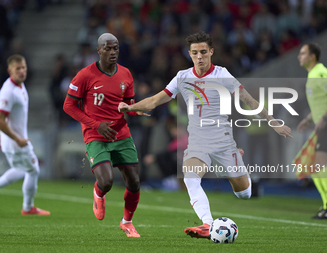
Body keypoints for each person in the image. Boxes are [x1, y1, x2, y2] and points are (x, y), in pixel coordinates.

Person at [119, 31, 292, 238]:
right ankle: (207, 224)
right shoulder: (182, 77)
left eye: (203, 52)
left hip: (223, 142)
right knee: (189, 177)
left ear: (211, 52)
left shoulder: (222, 75)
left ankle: (236, 163)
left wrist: (274, 123)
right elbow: (156, 100)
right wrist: (130, 107)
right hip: (198, 143)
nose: (199, 56)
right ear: (189, 54)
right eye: (194, 53)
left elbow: (249, 100)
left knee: (244, 194)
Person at [63, 33, 147, 237]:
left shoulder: (126, 74)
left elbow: (128, 104)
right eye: (108, 48)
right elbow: (68, 106)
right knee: (107, 181)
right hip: (96, 135)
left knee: (134, 182)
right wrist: (95, 125)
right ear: (98, 50)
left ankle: (127, 222)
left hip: (121, 134)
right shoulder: (85, 75)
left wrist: (137, 109)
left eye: (115, 48)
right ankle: (98, 193)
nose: (112, 52)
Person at [0, 54, 50, 216]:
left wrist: (2, 134)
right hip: (16, 142)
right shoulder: (8, 91)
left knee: (21, 169)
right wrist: (16, 139)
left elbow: (7, 117)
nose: (22, 71)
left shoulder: (19, 86)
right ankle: (28, 208)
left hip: (11, 139)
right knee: (33, 169)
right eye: (18, 69)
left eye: (23, 68)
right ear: (10, 70)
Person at [297, 43, 327, 219]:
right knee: (315, 169)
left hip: (325, 125)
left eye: (302, 53)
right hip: (320, 126)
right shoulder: (313, 75)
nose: (299, 56)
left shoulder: (320, 74)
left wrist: (323, 119)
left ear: (312, 56)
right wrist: (309, 119)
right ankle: (325, 206)